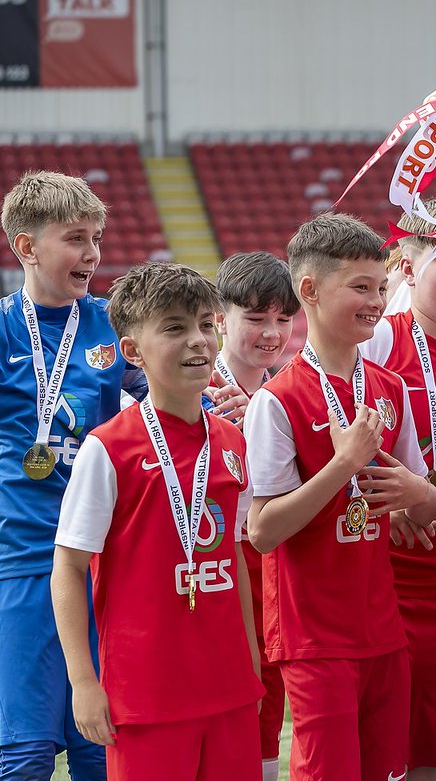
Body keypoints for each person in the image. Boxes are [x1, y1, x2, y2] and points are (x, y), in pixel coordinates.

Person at [243, 212, 436, 781]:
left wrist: (416, 494)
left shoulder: (390, 387)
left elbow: (421, 504)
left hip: (383, 626)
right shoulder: (275, 401)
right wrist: (343, 465)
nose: (378, 300)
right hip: (313, 637)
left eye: (381, 287)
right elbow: (262, 530)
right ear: (309, 290)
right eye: (360, 287)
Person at [51, 262, 264, 780]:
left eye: (205, 325)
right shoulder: (110, 448)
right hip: (145, 696)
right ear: (132, 352)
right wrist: (84, 681)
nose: (197, 341)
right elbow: (68, 567)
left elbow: (233, 555)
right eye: (173, 328)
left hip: (229, 686)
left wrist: (252, 661)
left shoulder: (233, 441)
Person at [0, 170, 126, 781]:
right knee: (22, 753)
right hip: (22, 559)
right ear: (26, 247)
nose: (94, 253)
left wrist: (223, 404)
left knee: (99, 748)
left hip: (102, 557)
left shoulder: (111, 323)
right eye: (77, 238)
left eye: (97, 237)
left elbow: (176, 392)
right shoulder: (2, 330)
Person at [361, 198, 436, 781]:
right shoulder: (378, 341)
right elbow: (333, 431)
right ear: (406, 266)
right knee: (409, 735)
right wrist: (392, 493)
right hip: (402, 564)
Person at [213, 251, 299, 781]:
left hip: (274, 555)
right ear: (220, 319)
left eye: (283, 319)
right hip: (217, 558)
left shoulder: (287, 392)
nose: (271, 332)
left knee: (271, 691)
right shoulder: (192, 388)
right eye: (256, 317)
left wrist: (266, 423)